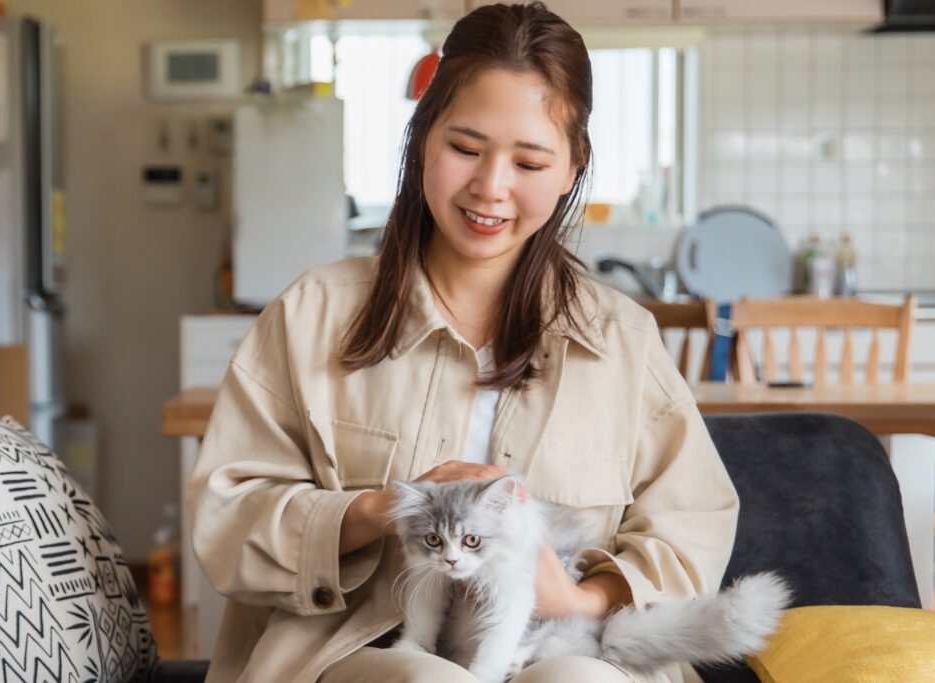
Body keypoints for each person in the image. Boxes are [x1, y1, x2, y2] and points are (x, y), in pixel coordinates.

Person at [185, 3, 739, 682]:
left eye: (530, 161)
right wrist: (370, 511)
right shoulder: (312, 314)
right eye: (465, 148)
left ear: (572, 168)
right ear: (423, 138)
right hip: (363, 650)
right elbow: (226, 518)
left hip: (559, 645)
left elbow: (693, 526)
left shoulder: (621, 341)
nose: (491, 187)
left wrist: (576, 596)